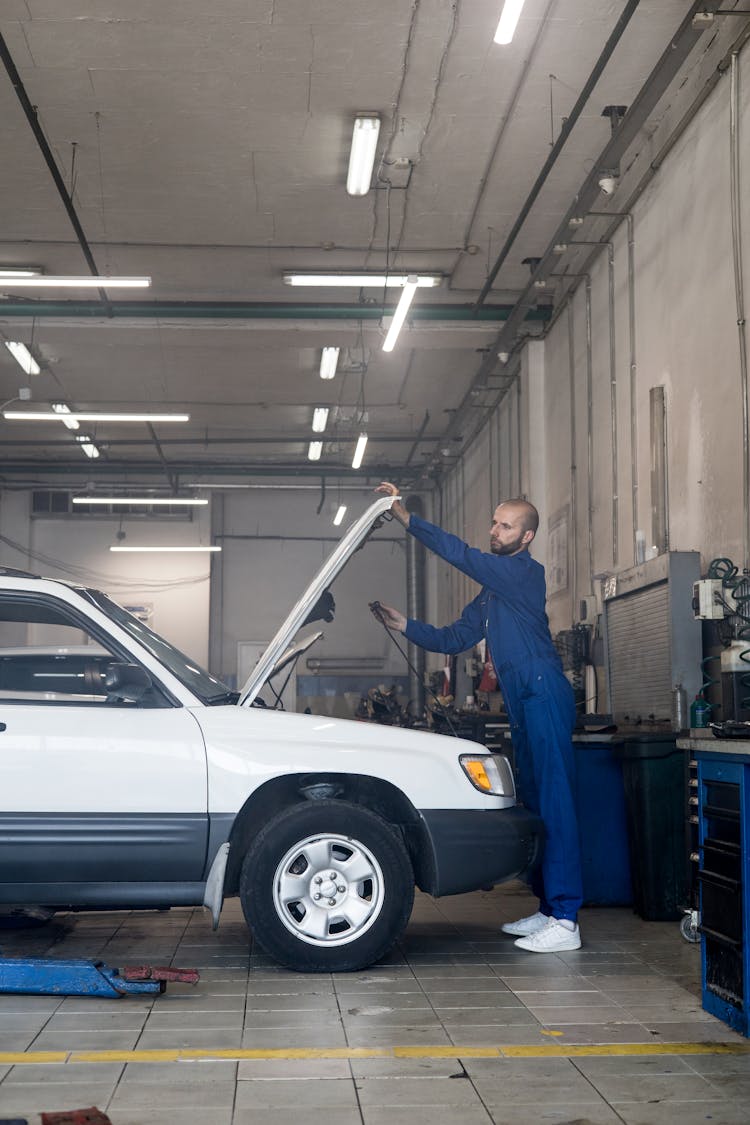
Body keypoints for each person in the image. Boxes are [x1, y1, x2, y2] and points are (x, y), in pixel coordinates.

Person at [372, 481, 583, 954]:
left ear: (525, 537)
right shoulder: (491, 594)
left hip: (543, 692)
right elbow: (452, 638)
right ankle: (549, 909)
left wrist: (407, 519)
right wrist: (403, 625)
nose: (495, 530)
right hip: (522, 698)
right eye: (494, 522)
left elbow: (459, 554)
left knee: (556, 803)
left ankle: (567, 919)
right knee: (535, 803)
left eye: (505, 526)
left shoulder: (524, 575)